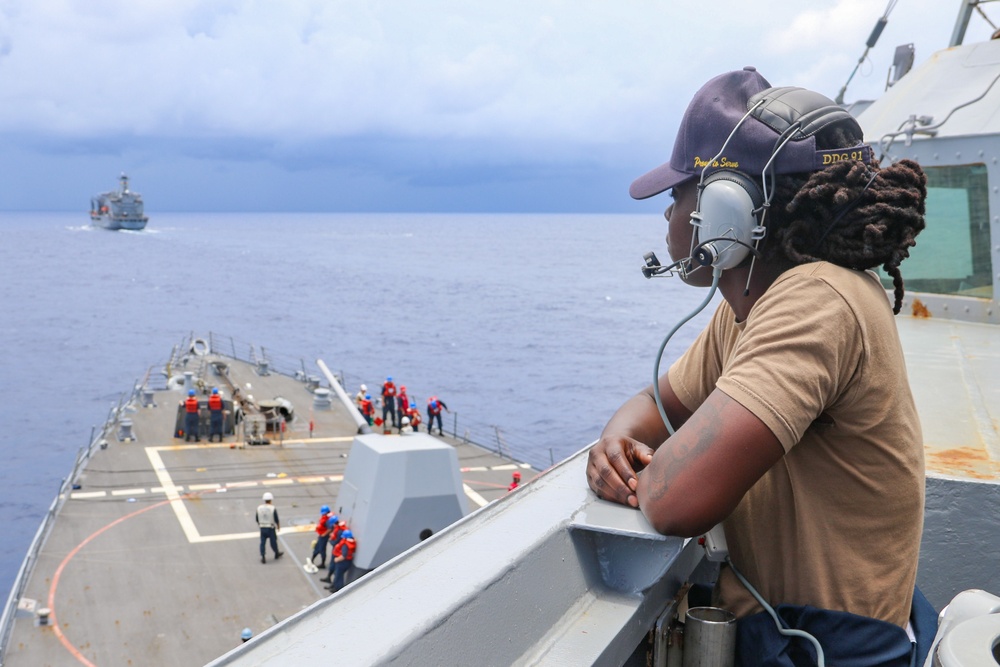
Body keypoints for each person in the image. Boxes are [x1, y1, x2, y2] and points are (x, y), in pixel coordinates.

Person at [586, 67, 933, 663]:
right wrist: (616, 442)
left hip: (832, 647)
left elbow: (674, 500)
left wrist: (648, 466)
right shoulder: (753, 306)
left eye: (677, 194)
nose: (668, 215)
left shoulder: (817, 303)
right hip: (793, 633)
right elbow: (653, 405)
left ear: (728, 210)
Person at [325, 529, 357, 593]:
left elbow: (343, 556)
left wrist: (336, 559)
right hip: (346, 562)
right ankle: (333, 585)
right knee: (337, 574)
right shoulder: (351, 542)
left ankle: (338, 589)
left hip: (343, 563)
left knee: (339, 576)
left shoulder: (345, 545)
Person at [255, 491, 283, 564]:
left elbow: (257, 518)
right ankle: (276, 553)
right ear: (271, 500)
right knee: (273, 542)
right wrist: (278, 527)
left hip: (262, 528)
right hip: (270, 528)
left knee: (262, 543)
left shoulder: (259, 508)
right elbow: (276, 519)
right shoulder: (272, 508)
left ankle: (263, 557)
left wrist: (260, 524)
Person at [319, 517, 346, 583]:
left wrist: (330, 541)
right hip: (337, 550)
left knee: (334, 566)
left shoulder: (339, 532)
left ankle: (332, 581)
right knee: (334, 566)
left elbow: (337, 542)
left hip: (337, 551)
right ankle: (329, 578)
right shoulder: (339, 529)